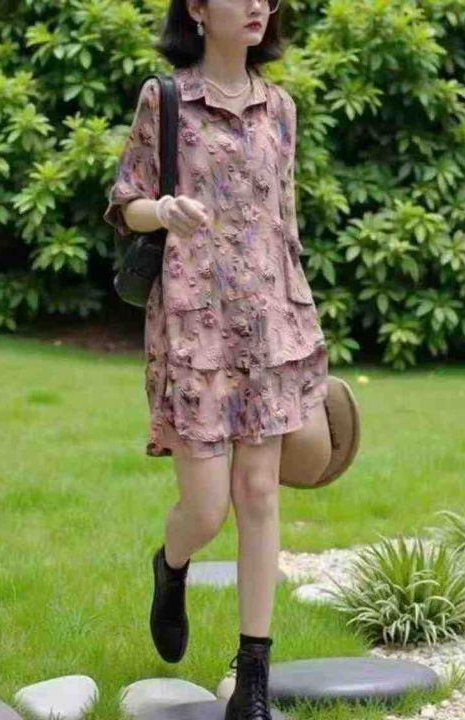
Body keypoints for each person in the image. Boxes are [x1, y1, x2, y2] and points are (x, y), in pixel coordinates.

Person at [103, 1, 331, 717]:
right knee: (206, 509)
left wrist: (301, 318)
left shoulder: (282, 108)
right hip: (194, 324)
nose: (259, 5)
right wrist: (163, 210)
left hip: (270, 322)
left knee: (259, 493)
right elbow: (126, 202)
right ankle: (171, 566)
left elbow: (284, 220)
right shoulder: (166, 98)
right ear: (199, 9)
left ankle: (253, 675)